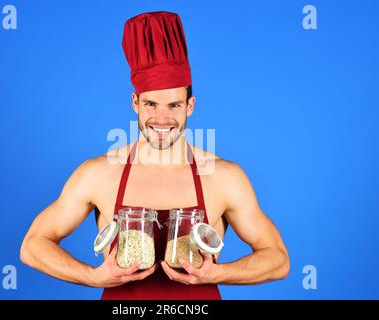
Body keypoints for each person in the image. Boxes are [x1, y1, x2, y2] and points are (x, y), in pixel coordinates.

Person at [20, 11, 289, 300]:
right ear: (135, 102)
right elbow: (33, 245)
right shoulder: (99, 174)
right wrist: (93, 276)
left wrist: (218, 274)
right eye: (151, 104)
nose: (162, 118)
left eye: (174, 105)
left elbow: (277, 259)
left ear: (190, 106)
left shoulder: (224, 177)